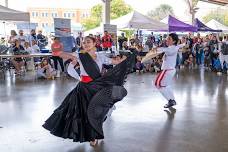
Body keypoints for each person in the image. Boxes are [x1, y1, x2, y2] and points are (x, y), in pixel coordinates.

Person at [43, 36, 130, 147]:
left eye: (88, 42)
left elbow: (114, 62)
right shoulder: (80, 55)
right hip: (84, 88)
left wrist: (123, 60)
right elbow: (63, 54)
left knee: (98, 112)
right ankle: (91, 136)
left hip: (98, 87)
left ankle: (95, 132)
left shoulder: (100, 56)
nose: (86, 44)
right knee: (85, 113)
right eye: (84, 43)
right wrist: (58, 51)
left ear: (94, 43)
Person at [150, 33, 180, 108]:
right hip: (169, 70)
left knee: (157, 84)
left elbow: (166, 50)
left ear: (174, 41)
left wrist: (157, 49)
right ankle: (172, 99)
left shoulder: (172, 48)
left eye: (169, 39)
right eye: (167, 38)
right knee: (166, 86)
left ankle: (170, 100)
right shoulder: (173, 47)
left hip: (167, 70)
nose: (167, 39)